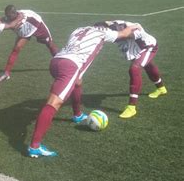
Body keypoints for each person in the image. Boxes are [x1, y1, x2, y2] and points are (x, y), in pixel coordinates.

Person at [27, 23, 139, 158]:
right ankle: (35, 146)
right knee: (53, 103)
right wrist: (134, 25)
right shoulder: (102, 33)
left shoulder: (78, 29)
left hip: (56, 61)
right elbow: (124, 34)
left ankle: (77, 115)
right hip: (70, 66)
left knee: (78, 82)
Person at [104, 20, 167, 119]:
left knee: (134, 68)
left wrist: (110, 35)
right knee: (148, 65)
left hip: (149, 47)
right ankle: (161, 89)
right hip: (136, 49)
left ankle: (131, 107)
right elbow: (107, 23)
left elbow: (126, 35)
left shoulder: (134, 30)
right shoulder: (118, 25)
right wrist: (101, 26)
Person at [0, 5, 58, 81]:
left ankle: (60, 63)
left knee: (50, 44)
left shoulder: (24, 18)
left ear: (14, 14)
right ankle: (6, 73)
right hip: (24, 31)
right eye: (6, 15)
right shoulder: (10, 16)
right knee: (16, 48)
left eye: (9, 16)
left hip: (37, 25)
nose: (7, 17)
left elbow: (11, 25)